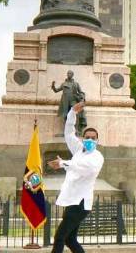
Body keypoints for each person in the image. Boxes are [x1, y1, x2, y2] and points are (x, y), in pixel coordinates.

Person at [47, 101, 104, 253]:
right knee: (69, 239)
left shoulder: (97, 156)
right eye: (87, 137)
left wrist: (63, 163)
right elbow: (69, 134)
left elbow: (86, 168)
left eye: (93, 138)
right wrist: (72, 113)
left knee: (60, 237)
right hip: (72, 200)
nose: (90, 140)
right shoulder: (79, 150)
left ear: (97, 140)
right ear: (83, 138)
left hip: (81, 203)